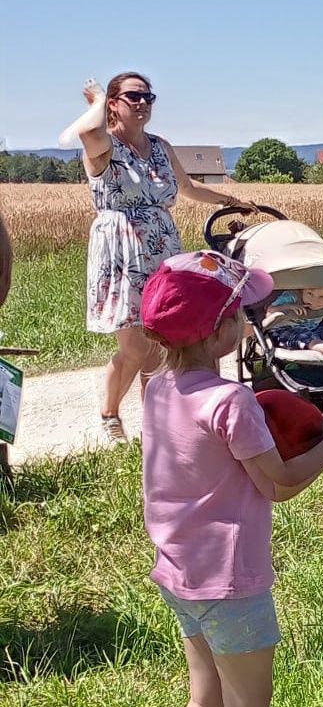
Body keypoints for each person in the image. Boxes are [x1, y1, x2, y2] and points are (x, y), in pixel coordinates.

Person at [141, 251, 323, 707]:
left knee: (205, 698)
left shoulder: (155, 388)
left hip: (180, 573)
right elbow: (278, 482)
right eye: (240, 315)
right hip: (231, 580)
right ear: (221, 331)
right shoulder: (231, 403)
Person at [73, 73, 256, 444]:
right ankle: (109, 414)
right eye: (132, 96)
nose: (142, 102)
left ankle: (154, 424)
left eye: (148, 96)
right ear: (114, 103)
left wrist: (229, 201)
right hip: (122, 252)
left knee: (162, 339)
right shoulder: (105, 146)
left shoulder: (160, 146)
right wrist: (95, 103)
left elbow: (186, 188)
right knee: (135, 346)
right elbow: (88, 134)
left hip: (162, 248)